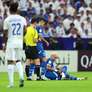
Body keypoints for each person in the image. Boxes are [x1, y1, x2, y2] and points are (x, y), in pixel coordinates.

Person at [3, 2, 27, 87]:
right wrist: (20, 36)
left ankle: (11, 83)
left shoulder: (7, 19)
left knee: (10, 61)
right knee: (18, 60)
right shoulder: (22, 19)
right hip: (19, 42)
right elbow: (25, 30)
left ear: (9, 9)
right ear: (17, 9)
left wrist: (4, 44)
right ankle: (21, 77)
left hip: (11, 42)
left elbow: (5, 33)